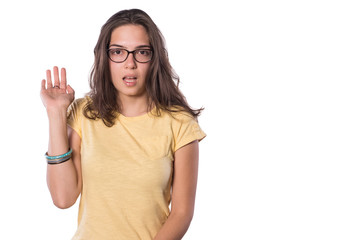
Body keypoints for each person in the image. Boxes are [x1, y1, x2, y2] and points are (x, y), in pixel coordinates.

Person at [40, 8, 206, 240]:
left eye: (141, 52)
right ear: (104, 58)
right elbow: (63, 198)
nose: (130, 63)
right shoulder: (84, 113)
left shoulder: (180, 123)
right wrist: (56, 113)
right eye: (118, 52)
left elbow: (181, 214)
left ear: (154, 58)